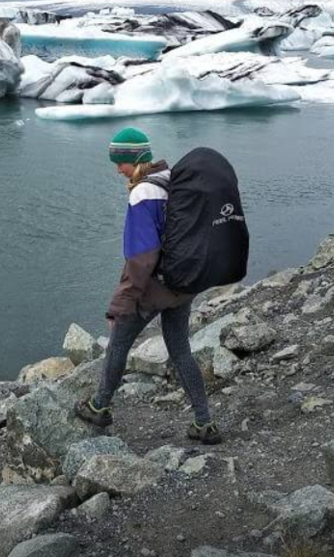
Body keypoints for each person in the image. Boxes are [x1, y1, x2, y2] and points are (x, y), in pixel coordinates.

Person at [74, 127, 222, 445]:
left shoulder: (143, 192)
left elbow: (141, 259)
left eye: (120, 162)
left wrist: (119, 305)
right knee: (181, 350)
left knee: (118, 344)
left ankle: (99, 406)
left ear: (134, 159)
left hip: (154, 287)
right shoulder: (173, 179)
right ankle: (204, 423)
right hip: (183, 282)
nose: (117, 169)